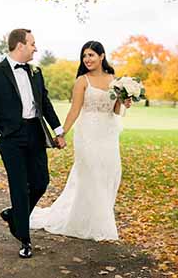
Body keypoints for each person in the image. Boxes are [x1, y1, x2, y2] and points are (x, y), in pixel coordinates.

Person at [30, 40, 132, 241]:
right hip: (87, 135)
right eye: (84, 56)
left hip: (108, 135)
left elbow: (116, 111)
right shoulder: (82, 81)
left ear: (102, 56)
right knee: (91, 174)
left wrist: (124, 102)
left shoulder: (115, 80)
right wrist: (61, 133)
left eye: (91, 55)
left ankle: (99, 219)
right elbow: (74, 110)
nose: (87, 59)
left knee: (109, 175)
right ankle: (92, 224)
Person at [0, 28, 66, 258]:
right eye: (32, 44)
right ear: (20, 45)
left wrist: (58, 131)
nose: (35, 48)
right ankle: (25, 240)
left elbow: (44, 103)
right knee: (19, 185)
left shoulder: (36, 72)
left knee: (41, 181)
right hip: (10, 139)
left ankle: (15, 214)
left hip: (35, 133)